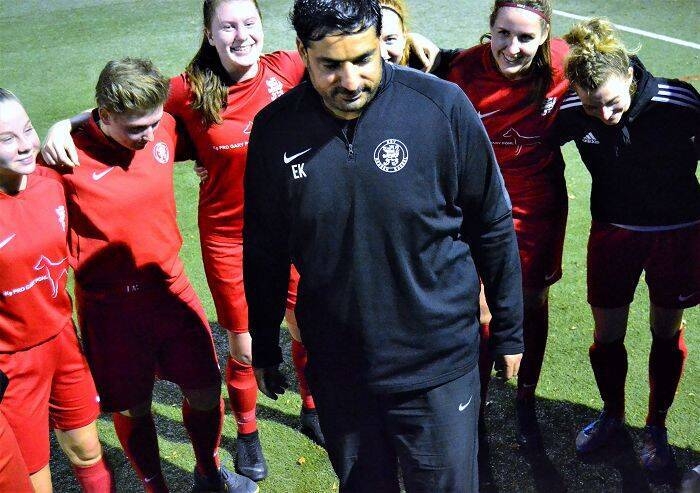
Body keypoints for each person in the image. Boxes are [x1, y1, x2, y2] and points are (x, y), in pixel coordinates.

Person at [243, 0, 524, 491]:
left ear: (381, 44)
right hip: (339, 366)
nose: (350, 81)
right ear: (303, 53)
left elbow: (492, 223)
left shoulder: (442, 107)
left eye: (363, 59)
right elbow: (264, 248)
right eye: (330, 65)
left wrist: (509, 330)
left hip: (437, 364)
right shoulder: (274, 130)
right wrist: (265, 342)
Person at [46, 59, 258, 493]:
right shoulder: (65, 157)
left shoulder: (165, 128)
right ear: (105, 115)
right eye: (135, 128)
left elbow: (219, 139)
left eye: (153, 122)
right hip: (110, 310)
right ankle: (155, 487)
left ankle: (208, 473)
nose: (148, 136)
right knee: (134, 406)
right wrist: (61, 126)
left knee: (205, 389)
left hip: (170, 289)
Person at [557, 18, 699, 481]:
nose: (604, 115)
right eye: (592, 106)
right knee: (607, 335)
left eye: (612, 103)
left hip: (676, 233)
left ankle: (656, 427)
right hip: (613, 234)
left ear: (630, 77)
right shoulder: (573, 110)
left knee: (665, 332)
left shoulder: (679, 103)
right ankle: (613, 415)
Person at [445, 0, 569, 449]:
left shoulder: (563, 66)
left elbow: (617, 73)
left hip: (537, 207)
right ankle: (475, 408)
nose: (512, 47)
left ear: (545, 36)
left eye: (525, 37)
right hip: (477, 207)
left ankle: (525, 397)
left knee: (532, 301)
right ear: (490, 28)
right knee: (477, 307)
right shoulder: (461, 70)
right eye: (503, 33)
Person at [0, 89, 114, 492]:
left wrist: (64, 124)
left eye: (28, 129)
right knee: (32, 475)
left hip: (63, 341)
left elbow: (111, 115)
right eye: (7, 138)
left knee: (87, 449)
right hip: (11, 364)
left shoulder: (50, 179)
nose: (25, 145)